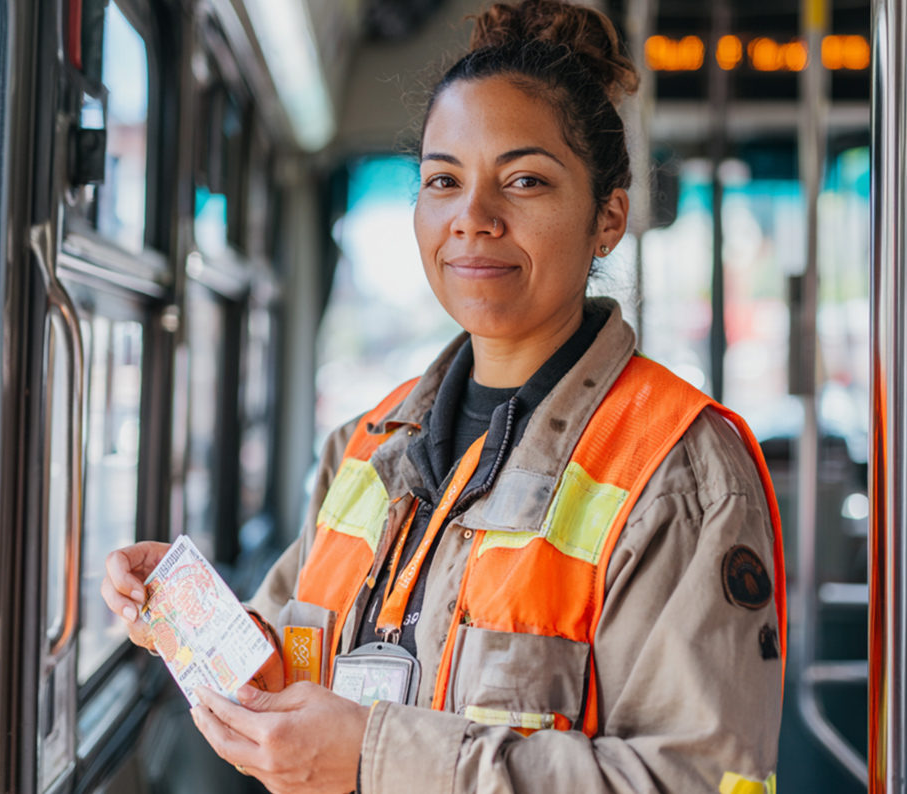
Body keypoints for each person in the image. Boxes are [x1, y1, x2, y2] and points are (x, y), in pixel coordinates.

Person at [101, 2, 786, 792]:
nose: (473, 219)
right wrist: (191, 618)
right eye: (443, 181)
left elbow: (696, 781)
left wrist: (374, 756)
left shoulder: (680, 473)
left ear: (608, 218)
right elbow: (292, 668)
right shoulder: (365, 445)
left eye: (524, 181)